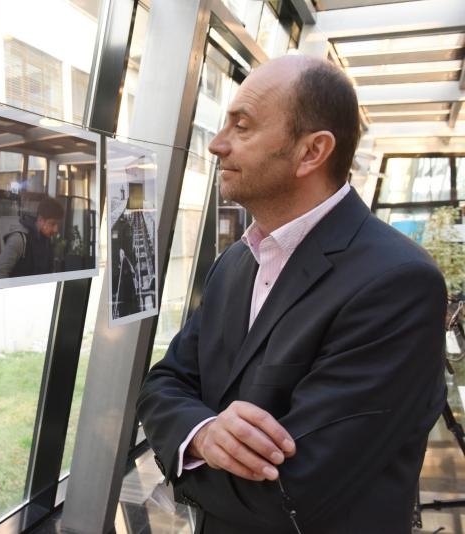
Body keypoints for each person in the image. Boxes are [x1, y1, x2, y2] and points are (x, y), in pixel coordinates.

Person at [136, 54, 447, 534]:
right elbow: (163, 384)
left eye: (242, 126)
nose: (218, 145)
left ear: (311, 152)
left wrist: (182, 460)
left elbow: (291, 493)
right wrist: (202, 434)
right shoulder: (236, 263)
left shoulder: (398, 283)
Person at [0, 196, 65, 279]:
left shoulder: (47, 240)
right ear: (40, 220)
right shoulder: (19, 240)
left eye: (57, 224)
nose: (56, 229)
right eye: (52, 224)